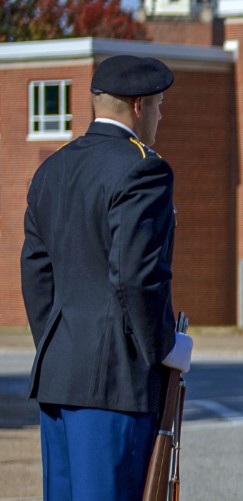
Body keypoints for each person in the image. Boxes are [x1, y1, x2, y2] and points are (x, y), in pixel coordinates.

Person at [20, 54, 193, 500]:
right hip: (116, 383)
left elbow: (38, 274)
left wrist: (63, 343)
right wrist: (164, 348)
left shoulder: (51, 169)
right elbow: (136, 276)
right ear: (139, 106)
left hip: (60, 375)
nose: (160, 115)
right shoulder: (144, 167)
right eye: (158, 105)